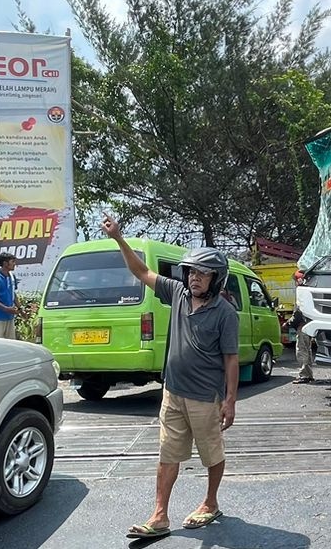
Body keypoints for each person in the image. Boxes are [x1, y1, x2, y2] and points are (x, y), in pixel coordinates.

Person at [101, 215, 239, 541]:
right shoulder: (176, 292)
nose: (194, 278)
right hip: (172, 392)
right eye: (191, 272)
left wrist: (230, 400)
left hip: (206, 397)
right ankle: (160, 515)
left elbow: (231, 359)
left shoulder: (225, 313)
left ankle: (210, 502)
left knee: (212, 454)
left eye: (202, 274)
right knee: (167, 453)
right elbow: (141, 271)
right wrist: (119, 238)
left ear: (216, 279)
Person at [283, 305, 314, 384]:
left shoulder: (301, 301)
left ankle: (304, 375)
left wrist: (287, 324)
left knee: (302, 351)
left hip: (302, 328)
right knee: (307, 351)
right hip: (309, 327)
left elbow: (297, 316)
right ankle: (309, 374)